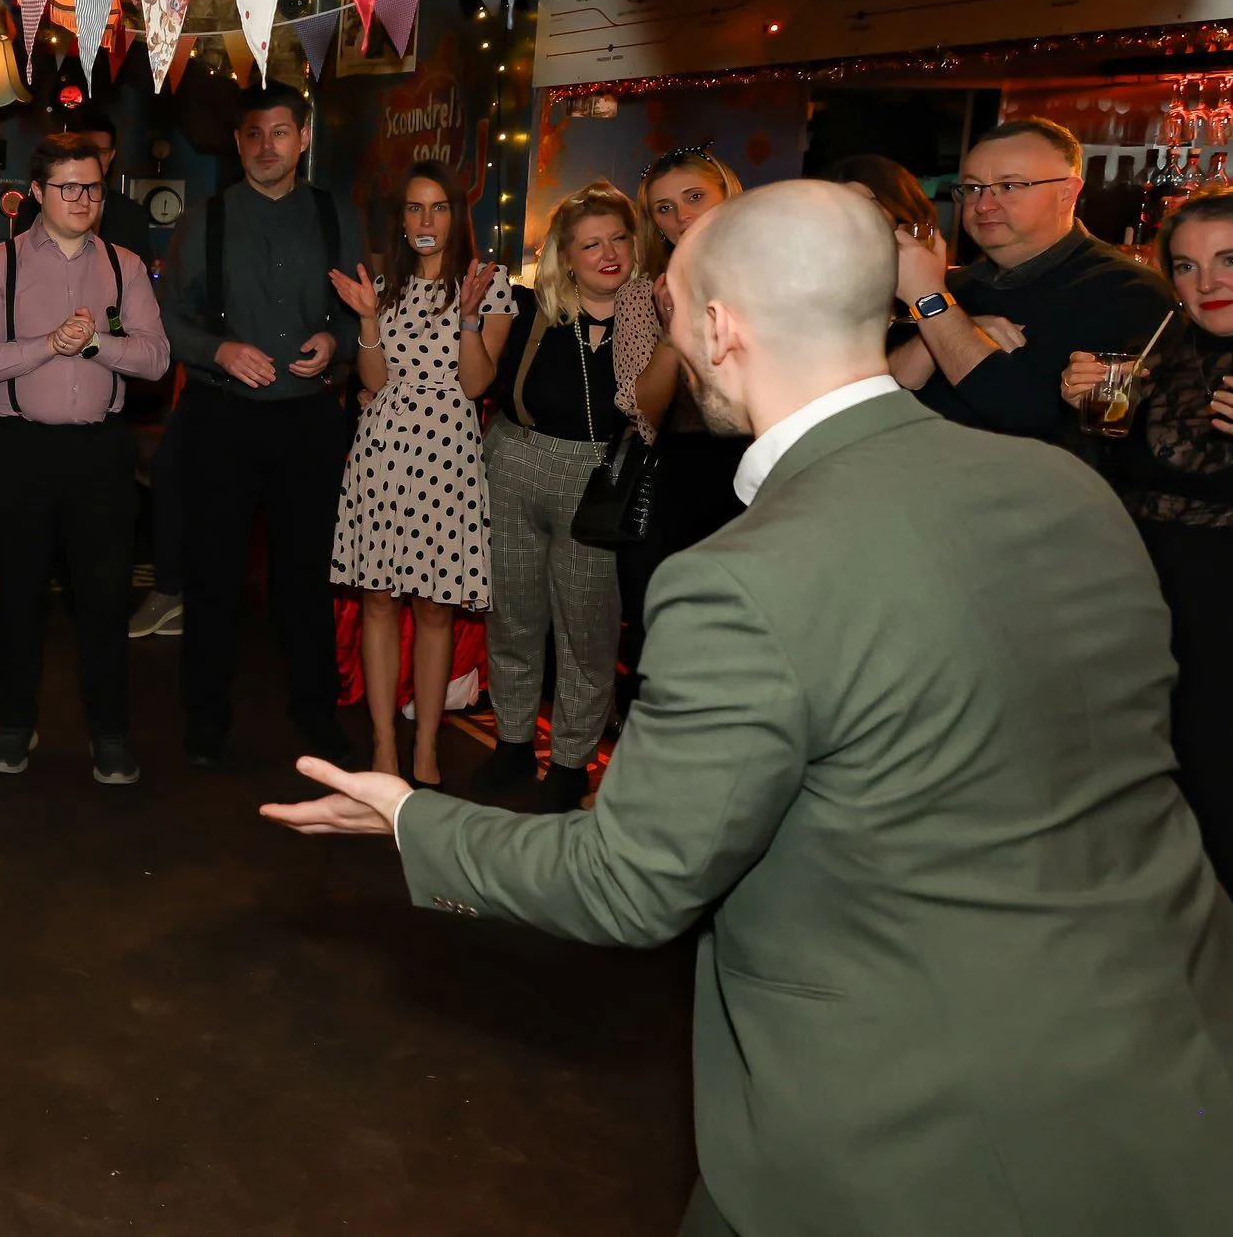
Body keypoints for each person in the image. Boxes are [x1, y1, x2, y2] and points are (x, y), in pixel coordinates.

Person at [265, 181, 1233, 1237]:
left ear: (722, 328)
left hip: (906, 1140)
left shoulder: (740, 578)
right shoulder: (1069, 490)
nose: (668, 328)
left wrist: (408, 817)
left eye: (676, 307)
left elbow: (627, 883)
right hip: (1171, 1064)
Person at [159, 83, 365, 771]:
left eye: (281, 133)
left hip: (310, 420)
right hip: (222, 418)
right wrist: (218, 349)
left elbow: (358, 310)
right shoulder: (204, 219)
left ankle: (317, 714)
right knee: (212, 574)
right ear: (240, 142)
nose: (267, 146)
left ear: (303, 138)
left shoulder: (337, 216)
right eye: (254, 135)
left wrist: (336, 343)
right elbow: (167, 319)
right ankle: (204, 718)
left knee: (307, 578)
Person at [0, 133, 171, 784]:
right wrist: (48, 344)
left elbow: (156, 358)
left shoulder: (125, 264)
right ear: (40, 192)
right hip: (22, 449)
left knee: (104, 600)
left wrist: (96, 344)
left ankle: (109, 733)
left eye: (92, 187)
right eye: (68, 187)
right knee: (20, 596)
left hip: (102, 452)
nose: (82, 199)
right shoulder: (0, 263)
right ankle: (15, 724)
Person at [1065, 188, 1233, 892]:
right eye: (1187, 266)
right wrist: (1085, 405)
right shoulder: (1156, 349)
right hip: (1142, 587)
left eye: (1229, 261)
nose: (1207, 283)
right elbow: (1112, 466)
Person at [327, 160, 514, 784]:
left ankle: (426, 748)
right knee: (379, 601)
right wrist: (369, 321)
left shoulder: (491, 283)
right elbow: (374, 385)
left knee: (436, 609)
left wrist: (465, 317)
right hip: (382, 456)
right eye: (414, 208)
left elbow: (476, 382)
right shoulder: (384, 284)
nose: (425, 220)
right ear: (402, 219)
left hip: (448, 460)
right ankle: (384, 747)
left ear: (457, 214)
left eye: (437, 207)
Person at [473, 182, 648, 812]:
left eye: (618, 239)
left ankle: (571, 762)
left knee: (588, 629)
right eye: (590, 244)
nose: (607, 253)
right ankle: (514, 744)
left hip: (597, 479)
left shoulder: (654, 316)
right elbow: (472, 376)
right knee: (513, 616)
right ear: (565, 256)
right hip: (515, 460)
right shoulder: (531, 310)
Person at [892, 117, 1173, 444]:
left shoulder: (1127, 290)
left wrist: (932, 302)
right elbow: (882, 391)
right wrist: (964, 326)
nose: (983, 204)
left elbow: (1030, 416)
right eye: (972, 188)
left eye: (1009, 186)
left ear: (1067, 193)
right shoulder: (955, 285)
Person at [618, 151, 749, 688]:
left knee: (742, 631)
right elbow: (642, 409)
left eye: (694, 197)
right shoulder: (643, 289)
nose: (681, 217)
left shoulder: (773, 271)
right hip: (673, 474)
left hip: (759, 472)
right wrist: (673, 333)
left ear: (726, 190)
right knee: (662, 626)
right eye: (664, 209)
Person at [10, 108, 154, 260]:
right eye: (70, 188)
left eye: (102, 152)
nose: (93, 159)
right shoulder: (30, 210)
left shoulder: (133, 215)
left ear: (112, 155)